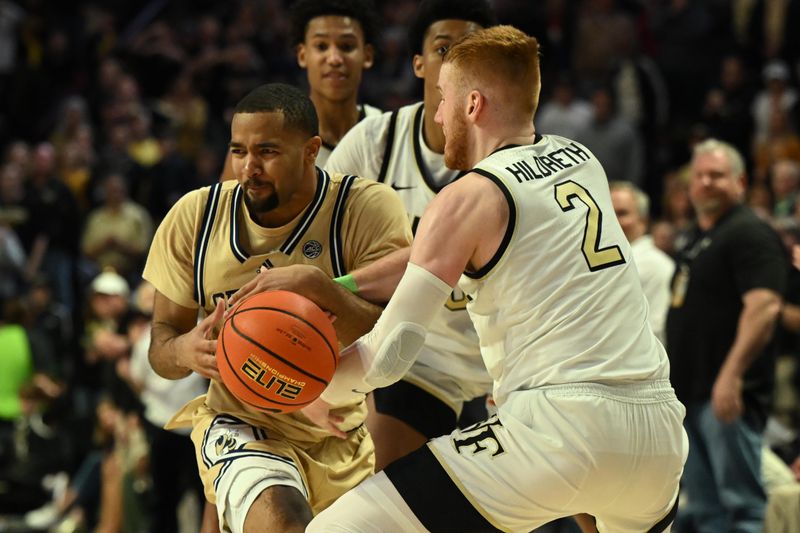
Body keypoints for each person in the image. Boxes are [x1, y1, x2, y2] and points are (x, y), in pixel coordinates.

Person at [306, 25, 688, 532]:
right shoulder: (581, 161)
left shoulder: (466, 198)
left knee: (335, 529)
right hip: (657, 435)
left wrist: (309, 388)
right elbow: (435, 254)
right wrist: (343, 287)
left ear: (473, 105)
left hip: (558, 426)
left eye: (443, 100)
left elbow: (387, 357)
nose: (437, 115)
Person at [143, 83, 411, 533]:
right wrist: (184, 351)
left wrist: (321, 289)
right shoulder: (195, 216)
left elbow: (395, 339)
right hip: (240, 423)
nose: (249, 167)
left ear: (311, 150)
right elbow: (161, 349)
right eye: (238, 151)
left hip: (338, 434)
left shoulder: (363, 208)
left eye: (267, 151)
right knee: (285, 524)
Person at [324, 0, 497, 471]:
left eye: (470, 50)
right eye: (444, 49)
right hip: (420, 362)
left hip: (504, 362)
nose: (457, 62)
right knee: (371, 494)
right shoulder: (374, 143)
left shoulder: (510, 151)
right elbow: (315, 253)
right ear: (419, 63)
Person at [666, 138, 787, 532]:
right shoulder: (694, 237)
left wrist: (731, 375)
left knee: (742, 509)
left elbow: (764, 307)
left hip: (727, 394)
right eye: (699, 176)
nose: (706, 182)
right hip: (693, 393)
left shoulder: (750, 232)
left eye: (716, 175)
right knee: (706, 510)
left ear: (740, 180)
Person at [289, 0, 382, 168]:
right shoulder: (278, 135)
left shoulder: (386, 132)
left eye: (346, 46)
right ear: (302, 55)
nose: (334, 59)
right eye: (321, 46)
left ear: (367, 56)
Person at [610, 181, 674, 343]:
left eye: (622, 213)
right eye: (607, 212)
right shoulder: (612, 259)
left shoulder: (655, 264)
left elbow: (657, 328)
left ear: (643, 220)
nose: (612, 220)